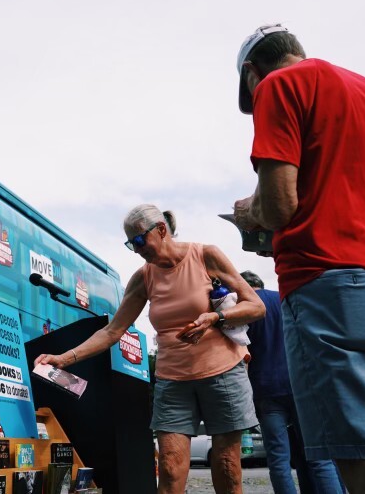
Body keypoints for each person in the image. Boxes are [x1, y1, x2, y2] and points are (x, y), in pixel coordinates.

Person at [232, 24, 365, 493]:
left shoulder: (278, 85)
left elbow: (280, 204)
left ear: (252, 72)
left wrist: (251, 213)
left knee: (363, 450)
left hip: (328, 284)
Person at [34, 204, 265, 494]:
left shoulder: (205, 255)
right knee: (169, 466)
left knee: (226, 465)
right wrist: (64, 358)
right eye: (131, 244)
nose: (137, 250)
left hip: (222, 373)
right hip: (173, 380)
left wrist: (215, 317)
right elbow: (112, 331)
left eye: (140, 241)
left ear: (161, 230)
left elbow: (256, 306)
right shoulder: (144, 277)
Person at [241, 270, 344, 494]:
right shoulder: (282, 298)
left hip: (265, 388)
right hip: (301, 383)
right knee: (319, 456)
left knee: (279, 459)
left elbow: (242, 353)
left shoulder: (243, 308)